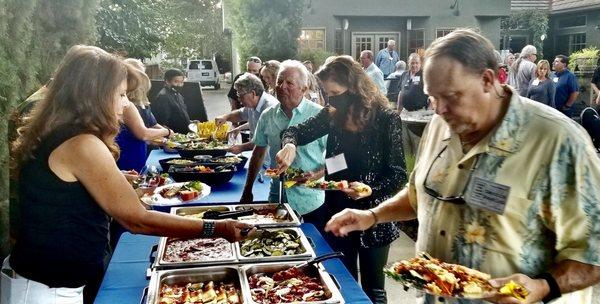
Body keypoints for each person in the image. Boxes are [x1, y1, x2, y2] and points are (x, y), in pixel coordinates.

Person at [325, 29, 600, 304]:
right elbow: (419, 194)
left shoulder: (558, 141)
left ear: (488, 80)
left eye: (452, 96)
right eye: (433, 97)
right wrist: (372, 216)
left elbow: (594, 253)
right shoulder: (440, 124)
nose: (440, 110)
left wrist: (543, 286)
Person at [4, 45, 252, 304]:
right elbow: (138, 220)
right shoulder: (82, 144)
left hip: (46, 282)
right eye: (121, 94)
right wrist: (217, 227)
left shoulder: (64, 132)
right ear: (94, 95)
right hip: (46, 290)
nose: (125, 104)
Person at [275, 56, 408, 303]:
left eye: (334, 93)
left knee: (374, 290)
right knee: (342, 282)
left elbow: (398, 174)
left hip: (374, 218)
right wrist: (290, 145)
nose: (330, 100)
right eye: (327, 95)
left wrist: (370, 189)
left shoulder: (386, 119)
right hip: (337, 211)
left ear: (354, 88)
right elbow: (294, 130)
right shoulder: (332, 114)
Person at [241, 60, 328, 229]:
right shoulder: (268, 116)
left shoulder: (319, 116)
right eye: (280, 81)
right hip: (277, 198)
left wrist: (317, 173)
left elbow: (341, 159)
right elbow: (258, 153)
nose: (282, 87)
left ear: (304, 88)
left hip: (312, 200)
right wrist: (247, 189)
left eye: (290, 83)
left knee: (315, 248)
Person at [116, 62, 172, 173]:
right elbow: (143, 134)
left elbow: (151, 126)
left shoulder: (140, 103)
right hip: (128, 160)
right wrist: (167, 132)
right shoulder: (128, 106)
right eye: (122, 94)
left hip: (136, 160)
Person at [215, 73, 278, 154]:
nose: (239, 99)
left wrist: (242, 147)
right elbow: (240, 114)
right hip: (256, 153)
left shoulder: (270, 107)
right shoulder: (252, 104)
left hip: (268, 159)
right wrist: (225, 117)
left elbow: (265, 141)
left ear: (253, 93)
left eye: (240, 95)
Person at [151, 68, 191, 134]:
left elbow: (179, 114)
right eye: (176, 82)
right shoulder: (163, 97)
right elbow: (162, 123)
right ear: (167, 81)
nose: (179, 85)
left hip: (185, 134)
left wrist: (190, 122)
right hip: (174, 137)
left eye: (181, 82)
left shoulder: (177, 94)